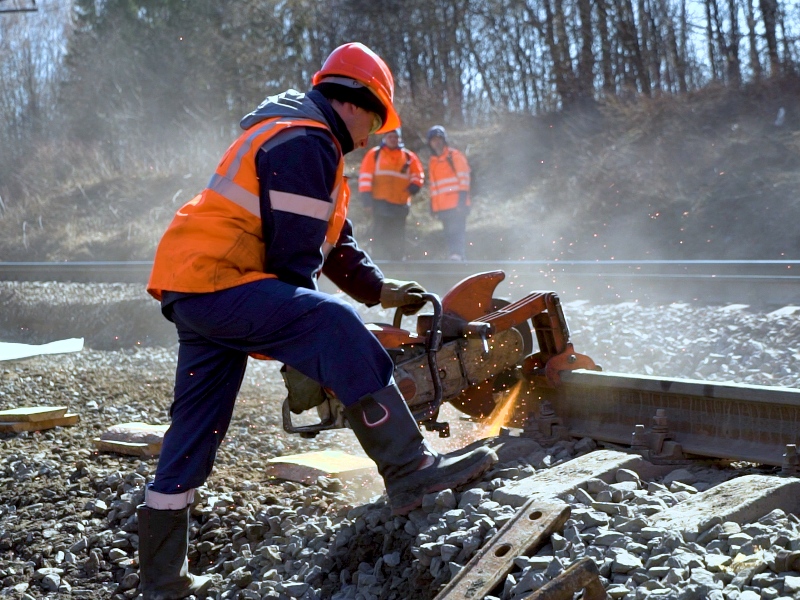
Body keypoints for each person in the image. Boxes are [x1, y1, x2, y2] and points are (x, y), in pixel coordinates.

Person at [140, 43, 497, 599]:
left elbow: (333, 245)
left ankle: (163, 582)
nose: (374, 134)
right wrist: (308, 350)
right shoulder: (308, 141)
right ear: (358, 103)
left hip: (197, 283)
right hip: (221, 280)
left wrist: (380, 289)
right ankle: (409, 468)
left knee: (195, 430)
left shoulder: (301, 139)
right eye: (377, 120)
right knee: (333, 323)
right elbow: (293, 260)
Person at [358, 128, 424, 260]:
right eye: (390, 137)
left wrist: (413, 188)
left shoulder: (408, 157)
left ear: (399, 139)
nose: (393, 140)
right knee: (380, 231)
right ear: (385, 138)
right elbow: (365, 178)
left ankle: (397, 260)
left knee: (398, 232)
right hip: (380, 201)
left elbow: (418, 175)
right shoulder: (374, 154)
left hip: (401, 202)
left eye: (395, 137)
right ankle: (379, 259)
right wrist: (367, 200)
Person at [426, 125, 471, 261]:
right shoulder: (432, 162)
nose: (436, 142)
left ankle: (458, 255)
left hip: (457, 202)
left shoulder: (454, 156)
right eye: (433, 140)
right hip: (442, 205)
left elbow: (464, 178)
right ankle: (454, 255)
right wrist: (433, 206)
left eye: (439, 139)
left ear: (444, 140)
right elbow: (434, 186)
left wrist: (462, 201)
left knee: (457, 231)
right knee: (448, 232)